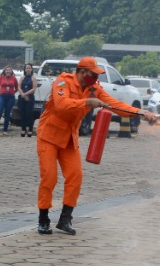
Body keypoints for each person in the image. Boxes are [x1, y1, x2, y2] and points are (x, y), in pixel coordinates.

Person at [35, 57, 140, 236]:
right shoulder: (63, 81)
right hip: (49, 137)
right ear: (82, 72)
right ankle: (43, 219)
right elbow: (61, 106)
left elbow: (114, 104)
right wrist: (87, 102)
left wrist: (140, 113)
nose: (95, 78)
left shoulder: (94, 88)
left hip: (69, 139)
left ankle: (65, 219)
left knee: (76, 176)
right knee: (49, 178)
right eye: (93, 74)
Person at [0, 65, 19, 135]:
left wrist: (12, 93)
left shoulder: (14, 78)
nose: (8, 71)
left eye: (9, 70)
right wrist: (1, 91)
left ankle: (5, 130)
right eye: (7, 70)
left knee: (7, 114)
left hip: (10, 97)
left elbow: (17, 88)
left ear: (11, 71)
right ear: (4, 71)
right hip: (2, 96)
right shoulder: (1, 78)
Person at [17, 63, 37, 137]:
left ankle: (30, 129)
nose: (28, 69)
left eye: (29, 68)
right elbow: (19, 86)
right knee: (23, 114)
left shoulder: (33, 78)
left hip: (30, 98)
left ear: (31, 69)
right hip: (22, 98)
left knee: (29, 114)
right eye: (26, 68)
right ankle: (23, 129)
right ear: (25, 69)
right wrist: (22, 94)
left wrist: (26, 94)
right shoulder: (22, 77)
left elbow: (34, 89)